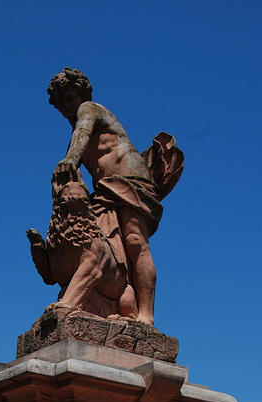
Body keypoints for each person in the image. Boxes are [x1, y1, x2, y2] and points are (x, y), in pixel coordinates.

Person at [48, 67, 164, 325]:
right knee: (105, 247)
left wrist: (70, 159)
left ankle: (146, 315)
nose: (68, 106)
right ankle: (109, 305)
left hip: (130, 179)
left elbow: (82, 135)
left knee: (135, 241)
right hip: (103, 191)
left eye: (70, 98)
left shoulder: (90, 110)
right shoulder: (76, 131)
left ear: (82, 94)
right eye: (61, 103)